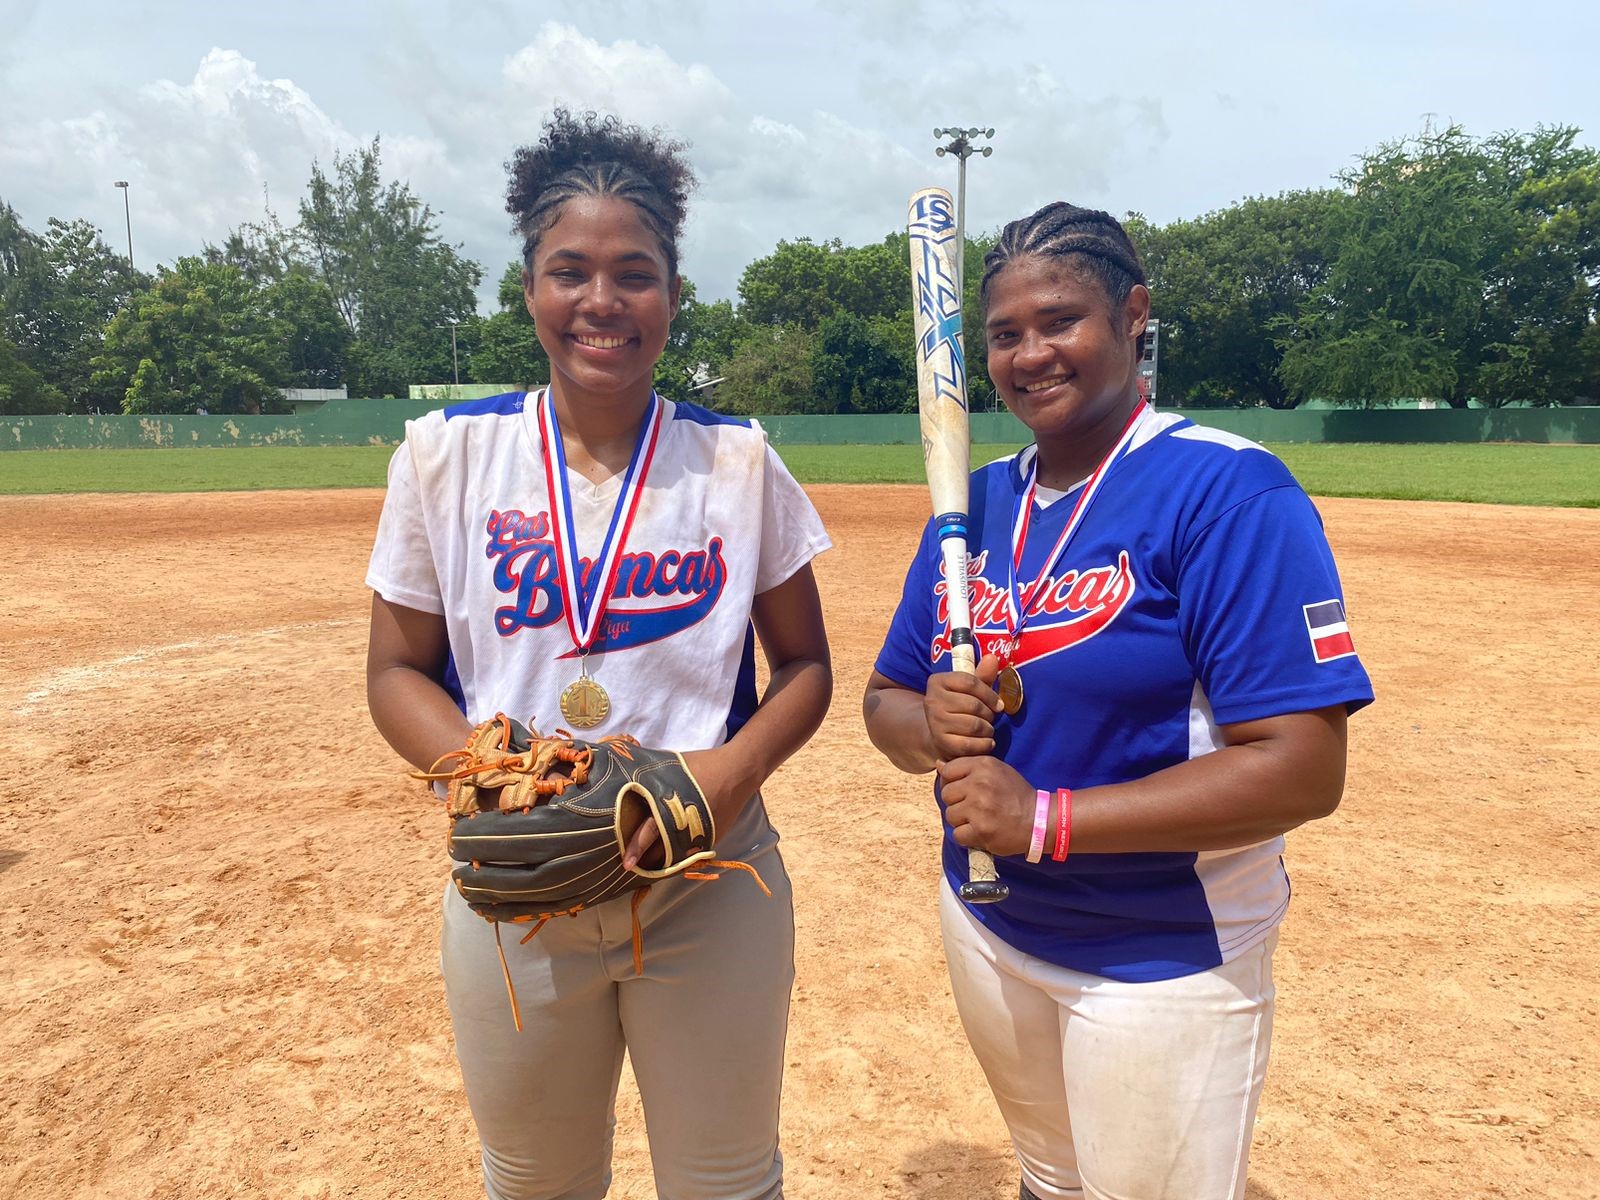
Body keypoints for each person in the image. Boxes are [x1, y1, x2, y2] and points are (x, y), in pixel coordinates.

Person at [365, 110, 833, 1200]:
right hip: (515, 875)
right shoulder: (446, 454)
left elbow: (805, 667)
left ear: (673, 294)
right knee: (534, 1183)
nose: (601, 301)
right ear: (527, 288)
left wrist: (725, 776)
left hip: (707, 877)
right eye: (568, 271)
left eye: (635, 273)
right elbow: (394, 671)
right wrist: (493, 770)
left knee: (725, 1181)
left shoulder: (736, 460)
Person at [863, 202, 1373, 1200]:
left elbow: (1302, 769)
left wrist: (1043, 819)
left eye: (1060, 321)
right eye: (1004, 334)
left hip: (1161, 950)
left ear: (1134, 315)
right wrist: (926, 723)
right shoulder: (970, 508)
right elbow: (884, 701)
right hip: (992, 923)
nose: (1029, 354)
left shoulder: (1226, 492)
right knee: (1051, 1181)